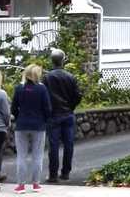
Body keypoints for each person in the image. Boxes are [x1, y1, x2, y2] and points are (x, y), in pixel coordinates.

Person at [43, 49, 83, 183]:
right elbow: (78, 96)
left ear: (52, 61)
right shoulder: (70, 77)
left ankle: (53, 174)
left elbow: (44, 96)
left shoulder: (47, 77)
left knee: (53, 146)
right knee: (68, 144)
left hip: (54, 115)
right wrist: (71, 106)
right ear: (63, 60)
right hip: (67, 113)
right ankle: (65, 172)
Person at [12, 64, 52, 194]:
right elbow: (47, 109)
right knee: (37, 156)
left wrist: (19, 118)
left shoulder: (19, 88)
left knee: (21, 156)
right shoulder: (42, 89)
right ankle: (35, 184)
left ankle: (21, 186)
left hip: (22, 125)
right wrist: (45, 120)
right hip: (38, 126)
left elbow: (13, 108)